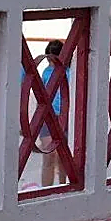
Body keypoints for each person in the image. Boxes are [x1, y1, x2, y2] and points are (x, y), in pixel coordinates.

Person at [37, 39, 69, 187]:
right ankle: (46, 189)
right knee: (48, 155)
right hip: (48, 117)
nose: (49, 62)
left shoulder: (69, 72)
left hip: (65, 117)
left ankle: (62, 185)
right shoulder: (46, 72)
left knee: (63, 157)